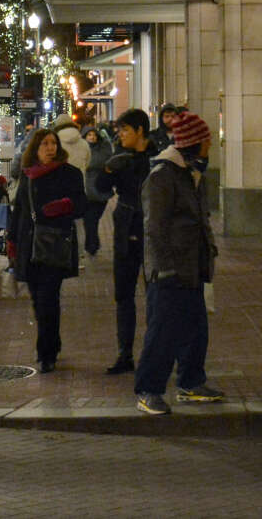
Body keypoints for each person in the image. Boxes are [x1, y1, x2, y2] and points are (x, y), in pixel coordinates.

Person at [133, 111, 222, 415]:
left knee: (196, 327)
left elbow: (199, 217)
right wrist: (166, 266)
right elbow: (154, 227)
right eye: (206, 138)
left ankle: (191, 382)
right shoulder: (163, 175)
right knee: (163, 330)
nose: (210, 143)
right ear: (195, 142)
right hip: (170, 268)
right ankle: (148, 390)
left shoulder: (191, 171)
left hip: (192, 264)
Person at [7, 127, 86, 374]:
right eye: (44, 144)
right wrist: (11, 242)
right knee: (36, 299)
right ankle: (53, 341)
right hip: (28, 245)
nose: (50, 148)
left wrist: (64, 206)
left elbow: (82, 205)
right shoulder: (28, 175)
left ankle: (46, 353)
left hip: (54, 244)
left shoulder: (69, 173)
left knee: (48, 298)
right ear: (35, 149)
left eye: (53, 143)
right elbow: (18, 210)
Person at [94, 108, 153, 374]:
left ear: (140, 130)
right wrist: (108, 170)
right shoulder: (121, 159)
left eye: (126, 130)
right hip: (125, 230)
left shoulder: (157, 157)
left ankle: (155, 353)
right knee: (124, 295)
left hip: (152, 231)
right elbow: (101, 188)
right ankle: (125, 354)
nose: (121, 135)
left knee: (157, 295)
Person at [81, 125, 111, 257]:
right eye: (89, 135)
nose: (92, 137)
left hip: (100, 190)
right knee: (89, 220)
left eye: (93, 135)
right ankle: (92, 244)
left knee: (93, 219)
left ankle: (92, 243)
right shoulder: (82, 148)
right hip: (87, 192)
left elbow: (97, 162)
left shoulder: (103, 148)